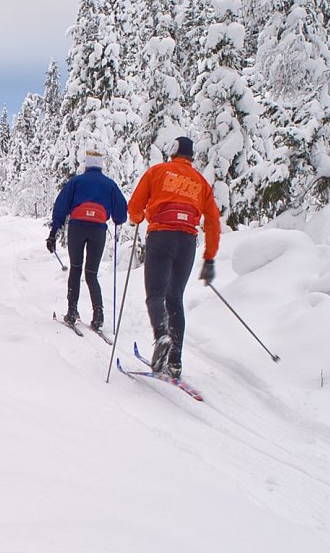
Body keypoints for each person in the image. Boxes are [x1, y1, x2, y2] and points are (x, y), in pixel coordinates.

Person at [126, 135, 221, 378]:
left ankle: (162, 335)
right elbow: (212, 221)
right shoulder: (201, 182)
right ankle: (175, 361)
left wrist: (138, 217)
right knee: (175, 297)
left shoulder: (157, 171)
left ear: (173, 151)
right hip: (187, 242)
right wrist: (209, 257)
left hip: (161, 236)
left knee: (155, 294)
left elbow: (134, 207)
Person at [46, 148, 128, 331]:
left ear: (87, 164)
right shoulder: (110, 185)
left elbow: (60, 206)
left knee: (75, 269)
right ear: (100, 166)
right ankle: (98, 315)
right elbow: (121, 213)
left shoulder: (76, 182)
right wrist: (116, 218)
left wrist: (53, 232)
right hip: (98, 229)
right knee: (91, 273)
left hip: (77, 228)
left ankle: (72, 311)